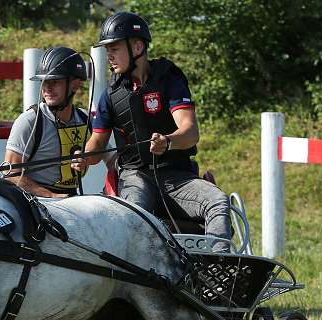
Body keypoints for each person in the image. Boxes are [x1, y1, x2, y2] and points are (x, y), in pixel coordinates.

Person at [73, 12, 232, 253]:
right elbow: (98, 142)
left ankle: (217, 268)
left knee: (218, 201)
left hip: (178, 176)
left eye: (114, 48)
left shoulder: (170, 81)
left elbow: (190, 131)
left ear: (137, 47)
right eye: (107, 50)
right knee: (132, 217)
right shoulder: (109, 95)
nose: (109, 56)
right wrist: (84, 156)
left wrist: (168, 142)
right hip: (135, 176)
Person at [5, 46, 93, 199]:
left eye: (56, 82)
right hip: (32, 200)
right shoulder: (30, 121)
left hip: (72, 200)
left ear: (75, 85)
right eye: (44, 82)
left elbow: (111, 157)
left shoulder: (86, 119)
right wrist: (51, 196)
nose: (47, 89)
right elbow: (10, 172)